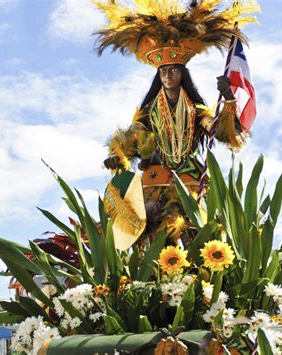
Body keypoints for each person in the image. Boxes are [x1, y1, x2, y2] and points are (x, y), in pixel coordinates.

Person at [93, 0, 257, 248]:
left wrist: (230, 99)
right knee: (147, 228)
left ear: (183, 74)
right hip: (156, 175)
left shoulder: (196, 110)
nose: (168, 75)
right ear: (158, 76)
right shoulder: (148, 113)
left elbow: (220, 132)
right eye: (164, 71)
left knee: (194, 229)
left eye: (173, 70)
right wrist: (118, 156)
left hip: (188, 175)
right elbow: (133, 137)